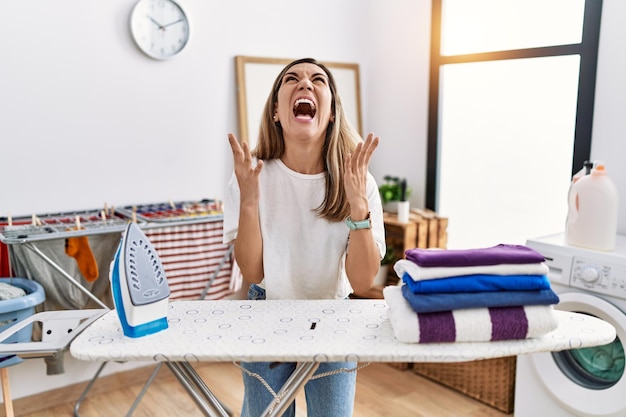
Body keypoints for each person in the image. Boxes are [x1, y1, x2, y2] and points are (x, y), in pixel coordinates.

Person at [223, 57, 386, 417]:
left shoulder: (359, 181)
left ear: (330, 113)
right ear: (277, 112)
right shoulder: (250, 176)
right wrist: (249, 202)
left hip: (334, 312)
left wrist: (358, 207)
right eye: (291, 78)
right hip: (266, 307)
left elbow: (361, 282)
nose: (305, 84)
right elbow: (253, 271)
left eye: (318, 80)